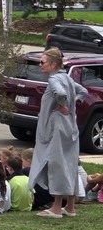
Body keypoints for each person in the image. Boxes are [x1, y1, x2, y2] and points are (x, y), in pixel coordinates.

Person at [28, 47, 88, 219]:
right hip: (70, 128)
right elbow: (83, 91)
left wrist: (62, 105)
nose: (40, 65)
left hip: (57, 128)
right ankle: (70, 206)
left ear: (53, 64)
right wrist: (73, 103)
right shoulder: (67, 78)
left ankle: (56, 207)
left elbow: (60, 93)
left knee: (57, 164)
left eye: (42, 62)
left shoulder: (55, 79)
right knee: (70, 164)